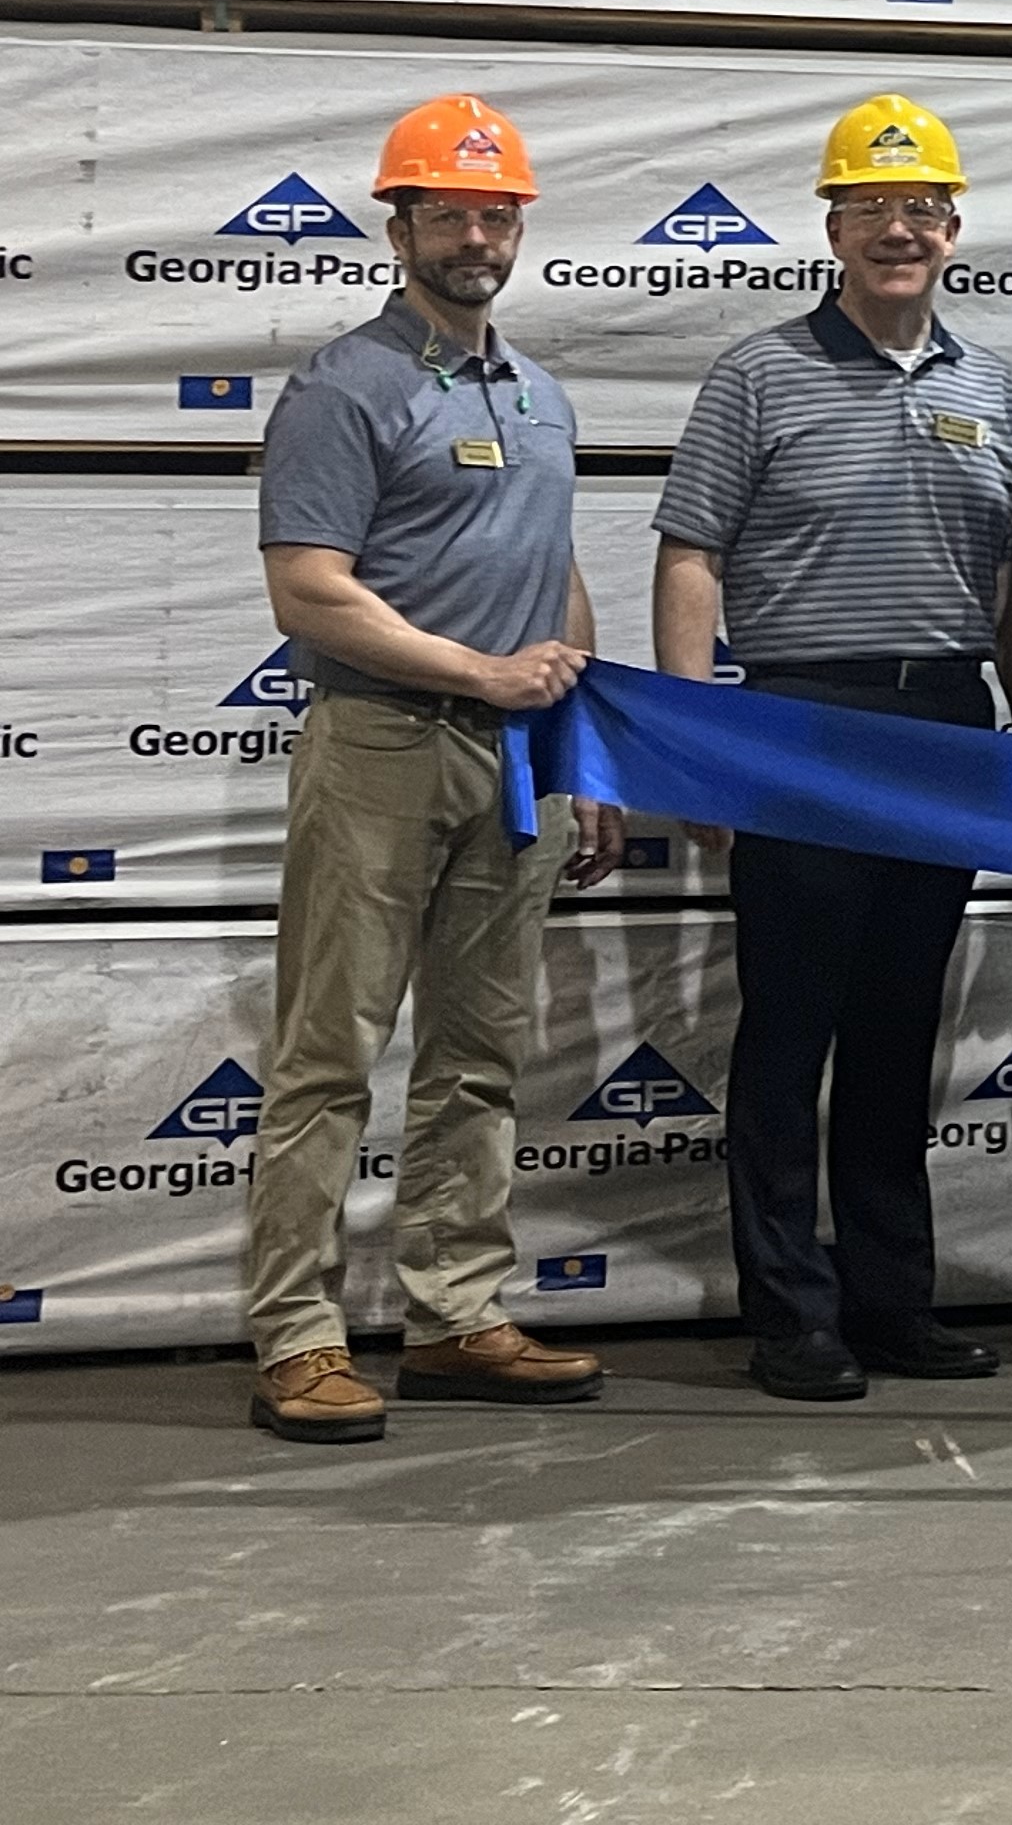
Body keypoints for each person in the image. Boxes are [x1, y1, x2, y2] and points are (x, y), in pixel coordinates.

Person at [654, 95, 1012, 1404]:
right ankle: (791, 1314)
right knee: (790, 1031)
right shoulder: (757, 375)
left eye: (922, 207)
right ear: (831, 224)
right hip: (798, 728)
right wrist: (697, 732)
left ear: (955, 228)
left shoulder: (994, 385)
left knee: (897, 1028)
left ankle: (892, 1303)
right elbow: (692, 554)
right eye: (872, 206)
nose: (899, 229)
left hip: (944, 726)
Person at [243, 96, 620, 1445]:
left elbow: (554, 579)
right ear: (397, 223)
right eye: (447, 210)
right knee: (329, 1052)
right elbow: (310, 593)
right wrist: (480, 679)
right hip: (384, 747)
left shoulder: (539, 392)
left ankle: (457, 1312)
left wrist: (582, 750)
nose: (474, 233)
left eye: (495, 211)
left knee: (477, 1052)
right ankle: (295, 1335)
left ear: (520, 225)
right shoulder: (344, 388)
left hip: (521, 763)